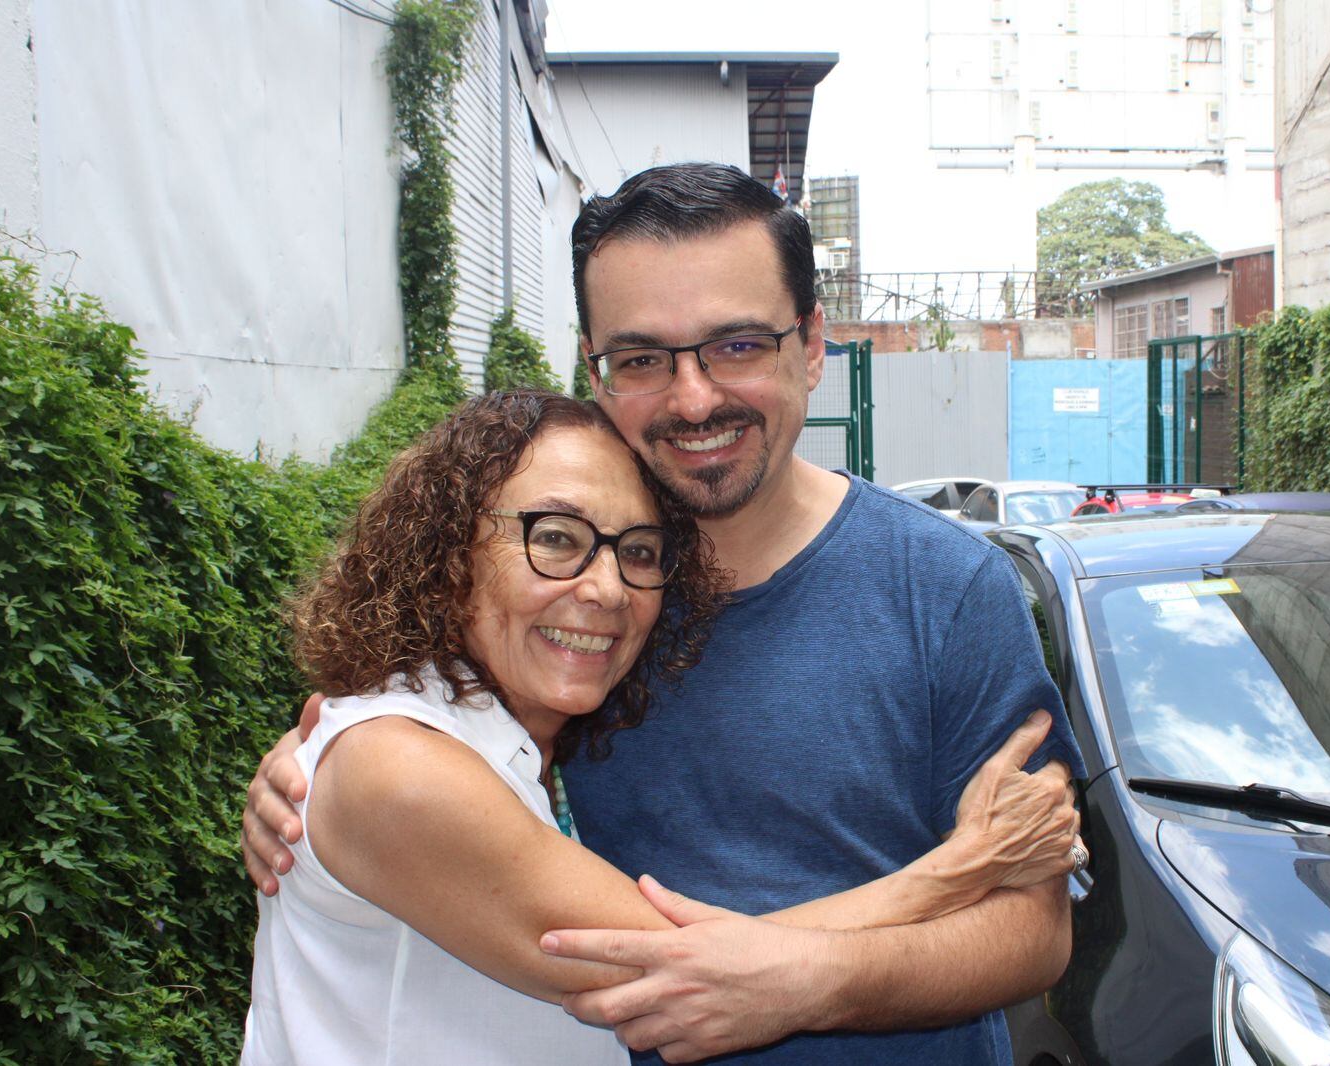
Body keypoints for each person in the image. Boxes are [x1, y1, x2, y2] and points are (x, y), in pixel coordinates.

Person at [243, 163, 1089, 1064]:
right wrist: (321, 766)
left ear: (811, 346)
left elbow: (1033, 934)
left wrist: (817, 983)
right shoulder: (582, 617)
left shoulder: (950, 588)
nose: (693, 399)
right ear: (596, 369)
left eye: (736, 345)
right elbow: (425, 780)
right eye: (644, 358)